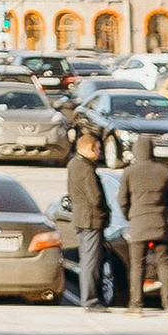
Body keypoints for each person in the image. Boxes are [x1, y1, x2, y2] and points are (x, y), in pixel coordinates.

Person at [122, 131, 168, 316]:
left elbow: (122, 199)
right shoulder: (164, 171)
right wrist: (165, 213)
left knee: (138, 265)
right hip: (160, 223)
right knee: (165, 264)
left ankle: (136, 305)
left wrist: (130, 215)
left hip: (138, 223)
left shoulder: (129, 172)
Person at [67, 121, 109, 309]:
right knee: (91, 261)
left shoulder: (73, 164)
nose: (99, 153)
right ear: (90, 149)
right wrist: (105, 211)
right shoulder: (87, 169)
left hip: (79, 217)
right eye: (98, 149)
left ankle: (88, 298)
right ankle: (91, 300)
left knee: (85, 260)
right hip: (91, 220)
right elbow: (96, 197)